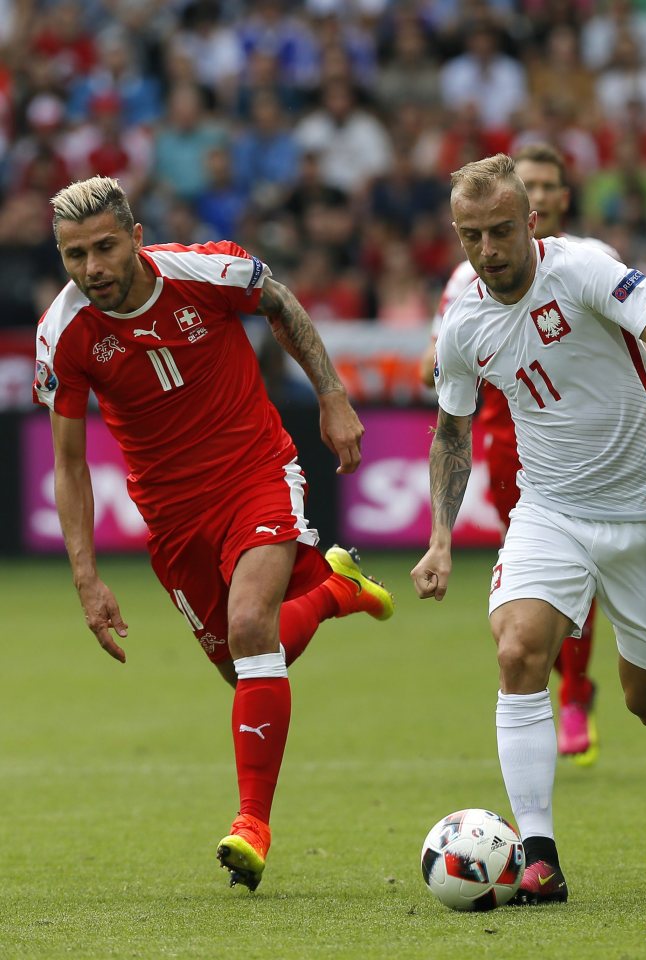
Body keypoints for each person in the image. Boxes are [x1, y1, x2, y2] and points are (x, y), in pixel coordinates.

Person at [33, 175, 395, 893]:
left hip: (256, 472)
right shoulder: (64, 332)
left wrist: (331, 396)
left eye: (106, 247)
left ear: (136, 237)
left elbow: (280, 302)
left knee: (252, 628)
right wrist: (86, 577)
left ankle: (251, 825)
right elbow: (69, 464)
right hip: (172, 520)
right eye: (75, 256)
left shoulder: (207, 269)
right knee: (244, 669)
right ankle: (335, 591)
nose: (93, 268)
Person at [412, 154, 646, 905]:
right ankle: (538, 855)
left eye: (501, 231)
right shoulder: (463, 324)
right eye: (472, 235)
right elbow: (450, 431)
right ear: (457, 233)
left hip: (645, 512)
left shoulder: (583, 269)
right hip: (549, 511)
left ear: (531, 222)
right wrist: (440, 536)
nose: (488, 250)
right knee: (516, 650)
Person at [420, 144, 615, 764]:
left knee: (607, 586)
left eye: (549, 185)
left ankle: (623, 680)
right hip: (515, 447)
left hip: (602, 446)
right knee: (555, 581)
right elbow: (439, 366)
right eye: (530, 181)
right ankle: (575, 692)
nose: (543, 192)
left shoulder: (592, 263)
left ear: (551, 202)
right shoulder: (466, 284)